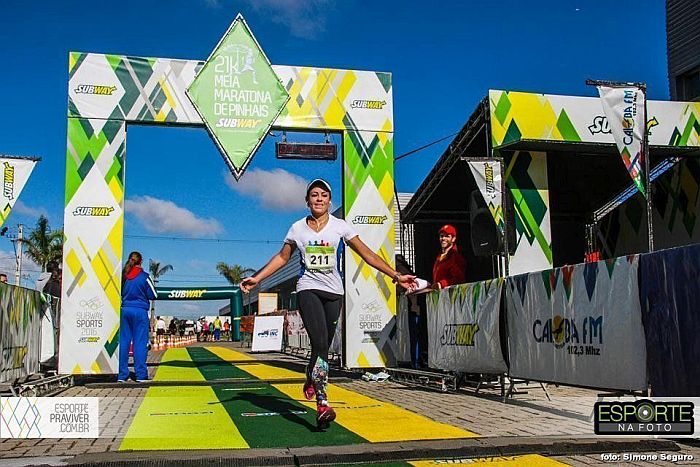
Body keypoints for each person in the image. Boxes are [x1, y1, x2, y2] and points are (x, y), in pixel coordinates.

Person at [241, 178, 415, 429]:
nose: (319, 199)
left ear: (329, 200)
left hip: (334, 293)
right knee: (320, 343)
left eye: (323, 195)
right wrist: (256, 278)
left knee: (320, 349)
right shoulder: (297, 229)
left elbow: (367, 254)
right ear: (307, 201)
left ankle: (311, 377)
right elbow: (282, 257)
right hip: (308, 289)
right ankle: (323, 402)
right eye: (314, 195)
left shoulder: (340, 227)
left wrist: (396, 275)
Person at [118, 251, 157, 382]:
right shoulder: (144, 277)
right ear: (141, 261)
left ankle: (122, 375)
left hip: (124, 310)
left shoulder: (123, 276)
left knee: (124, 342)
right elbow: (153, 295)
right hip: (139, 311)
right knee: (140, 343)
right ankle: (141, 375)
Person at [432, 224, 466, 289]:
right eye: (441, 236)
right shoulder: (439, 257)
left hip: (450, 297)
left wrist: (441, 284)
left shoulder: (456, 257)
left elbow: (459, 280)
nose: (443, 238)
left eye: (447, 236)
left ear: (453, 239)